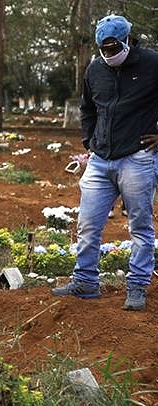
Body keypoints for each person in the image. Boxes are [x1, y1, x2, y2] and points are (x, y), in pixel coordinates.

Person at [52, 15, 158, 311]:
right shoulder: (95, 69)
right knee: (88, 223)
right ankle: (85, 281)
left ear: (127, 40)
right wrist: (89, 141)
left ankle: (137, 285)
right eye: (104, 49)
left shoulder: (151, 64)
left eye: (114, 48)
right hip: (100, 160)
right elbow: (87, 108)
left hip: (137, 157)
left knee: (139, 225)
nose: (109, 55)